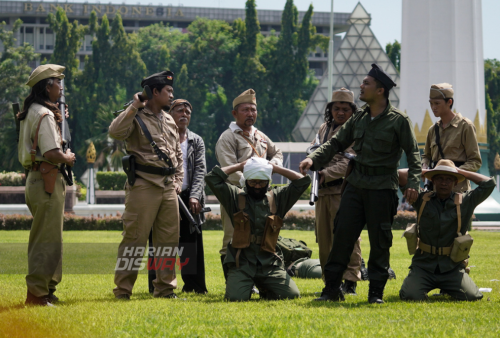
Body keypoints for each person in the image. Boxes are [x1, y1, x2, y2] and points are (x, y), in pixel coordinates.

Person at [299, 63, 421, 304]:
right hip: (355, 185)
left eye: (366, 83)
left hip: (383, 187)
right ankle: (331, 290)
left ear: (380, 91)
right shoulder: (359, 119)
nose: (361, 86)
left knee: (380, 242)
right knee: (342, 236)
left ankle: (375, 293)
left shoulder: (399, 120)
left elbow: (413, 154)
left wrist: (413, 184)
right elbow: (335, 144)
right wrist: (312, 159)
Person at [109, 71, 183, 300]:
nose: (172, 95)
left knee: (168, 240)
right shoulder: (135, 115)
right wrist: (133, 107)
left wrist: (178, 179)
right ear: (154, 92)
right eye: (168, 91)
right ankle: (123, 290)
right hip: (144, 184)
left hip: (168, 186)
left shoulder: (168, 118)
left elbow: (177, 154)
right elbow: (115, 132)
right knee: (134, 239)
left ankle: (165, 289)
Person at [205, 157, 311, 301]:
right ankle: (245, 284)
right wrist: (239, 166)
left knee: (291, 295)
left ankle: (265, 287)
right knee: (236, 298)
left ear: (268, 182)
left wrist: (275, 168)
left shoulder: (278, 197)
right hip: (242, 262)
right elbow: (212, 178)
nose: (257, 186)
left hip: (269, 263)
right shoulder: (234, 196)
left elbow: (303, 181)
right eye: (252, 182)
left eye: (262, 182)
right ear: (246, 180)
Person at [17, 64, 76, 306]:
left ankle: (46, 289)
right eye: (57, 82)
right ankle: (37, 294)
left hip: (40, 179)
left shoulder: (33, 110)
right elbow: (52, 152)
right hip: (47, 179)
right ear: (47, 86)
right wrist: (68, 158)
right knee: (46, 239)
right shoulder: (44, 113)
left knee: (50, 237)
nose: (61, 87)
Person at [398, 160, 495, 301]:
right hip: (424, 266)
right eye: (440, 178)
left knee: (472, 296)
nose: (444, 183)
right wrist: (426, 172)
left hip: (452, 267)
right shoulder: (421, 199)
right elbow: (400, 175)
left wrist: (459, 172)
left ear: (455, 183)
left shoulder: (466, 201)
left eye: (449, 179)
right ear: (433, 181)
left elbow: (489, 184)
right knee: (410, 295)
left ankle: (453, 284)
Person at [215, 89, 283, 286]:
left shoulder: (260, 136)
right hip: (237, 196)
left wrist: (271, 168)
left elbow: (276, 151)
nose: (251, 114)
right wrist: (252, 183)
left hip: (261, 197)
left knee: (260, 237)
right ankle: (233, 281)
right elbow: (229, 170)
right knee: (233, 237)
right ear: (235, 113)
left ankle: (257, 280)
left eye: (253, 110)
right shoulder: (228, 137)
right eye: (245, 110)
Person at [147, 99, 208, 294]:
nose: (184, 114)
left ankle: (193, 285)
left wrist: (196, 196)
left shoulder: (196, 140)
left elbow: (200, 171)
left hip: (189, 195)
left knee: (191, 241)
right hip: (163, 193)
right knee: (159, 241)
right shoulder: (161, 137)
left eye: (187, 112)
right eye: (179, 111)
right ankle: (156, 283)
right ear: (169, 114)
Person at [312, 87, 362, 295]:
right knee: (323, 240)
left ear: (352, 111)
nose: (340, 113)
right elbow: (314, 150)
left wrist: (326, 173)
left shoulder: (356, 131)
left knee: (347, 237)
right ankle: (330, 280)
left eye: (345, 109)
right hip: (322, 192)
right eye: (336, 108)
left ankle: (350, 280)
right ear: (330, 109)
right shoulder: (324, 128)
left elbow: (349, 162)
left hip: (344, 191)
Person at [422, 83, 482, 193]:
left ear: (449, 102)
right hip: (435, 191)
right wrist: (424, 165)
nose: (433, 107)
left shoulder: (465, 126)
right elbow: (427, 155)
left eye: (437, 103)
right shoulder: (433, 130)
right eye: (431, 103)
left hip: (458, 190)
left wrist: (454, 172)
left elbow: (475, 161)